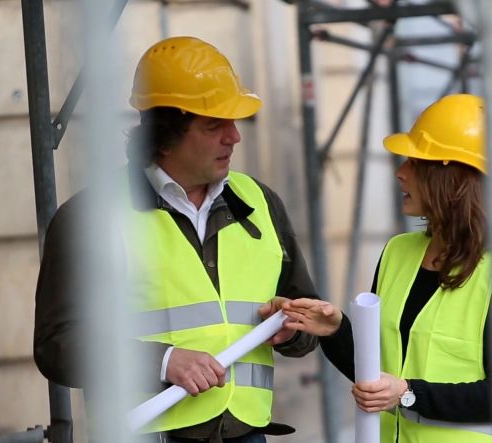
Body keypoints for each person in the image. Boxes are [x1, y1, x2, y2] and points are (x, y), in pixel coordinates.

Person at [33, 36, 319, 443]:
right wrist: (162, 362)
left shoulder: (259, 202)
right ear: (167, 132)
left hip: (245, 433)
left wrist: (292, 330)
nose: (234, 137)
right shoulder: (92, 218)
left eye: (233, 122)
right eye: (214, 125)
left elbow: (304, 321)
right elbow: (57, 343)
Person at [281, 94, 492, 442]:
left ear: (453, 177)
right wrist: (335, 331)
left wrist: (408, 393)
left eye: (415, 161)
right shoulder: (398, 253)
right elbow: (378, 381)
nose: (400, 172)